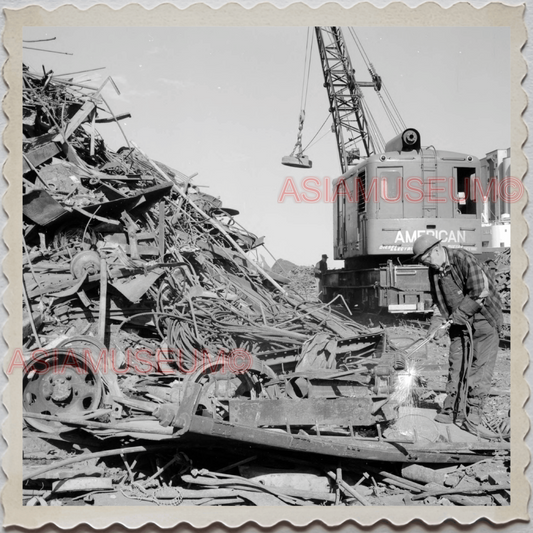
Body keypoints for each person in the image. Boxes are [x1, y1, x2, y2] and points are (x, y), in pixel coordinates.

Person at [412, 235, 502, 435]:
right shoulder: (434, 271)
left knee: (480, 367)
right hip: (458, 320)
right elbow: (439, 301)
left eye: (425, 259)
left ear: (436, 250)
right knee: (457, 363)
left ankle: (473, 411)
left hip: (484, 319)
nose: (426, 263)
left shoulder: (461, 258)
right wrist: (436, 324)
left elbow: (481, 291)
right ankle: (451, 408)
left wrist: (458, 315)